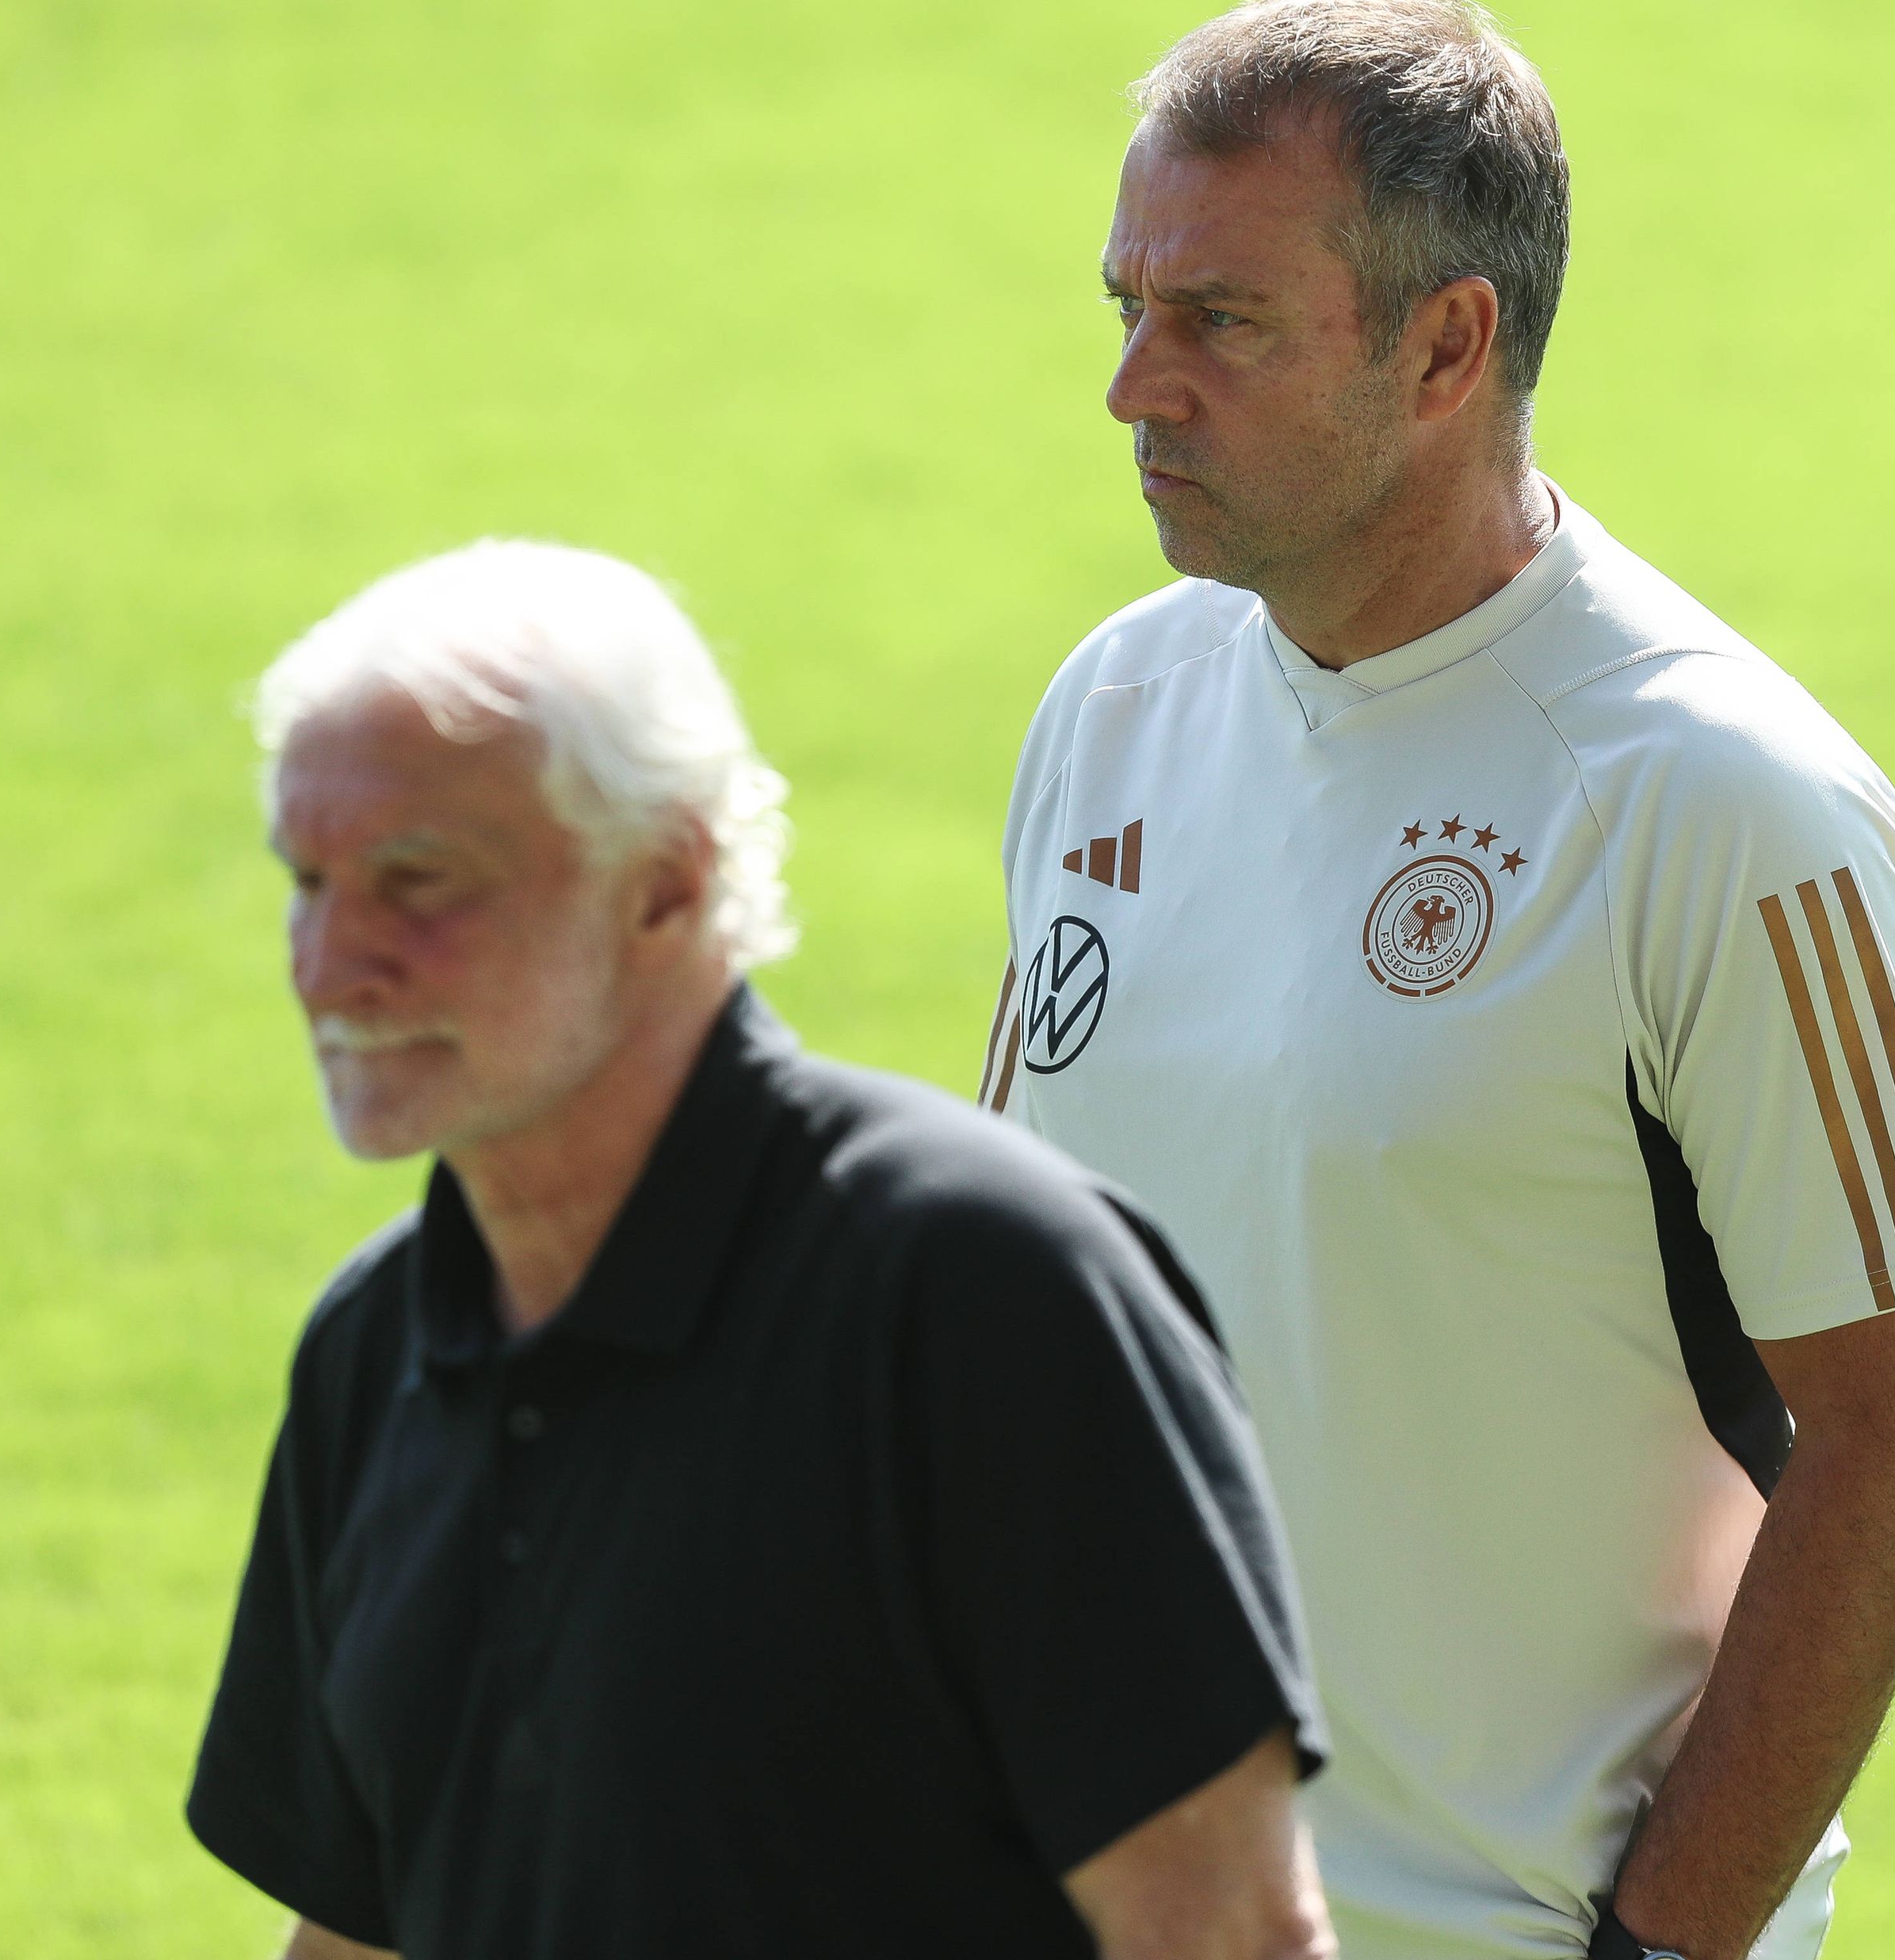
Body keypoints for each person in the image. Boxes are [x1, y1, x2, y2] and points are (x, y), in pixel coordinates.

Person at [983, 0, 1895, 1960]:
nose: (1134, 387)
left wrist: (1661, 1946)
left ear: (1447, 346)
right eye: (1128, 308)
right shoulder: (1113, 704)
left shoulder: (1720, 802)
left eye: (1221, 323)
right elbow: (1028, 1307)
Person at [189, 541, 1335, 1960]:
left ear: (666, 885)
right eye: (309, 882)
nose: (327, 964)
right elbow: (360, 1929)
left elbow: (1230, 1934)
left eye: (419, 884)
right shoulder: (377, 1348)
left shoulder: (980, 1294)